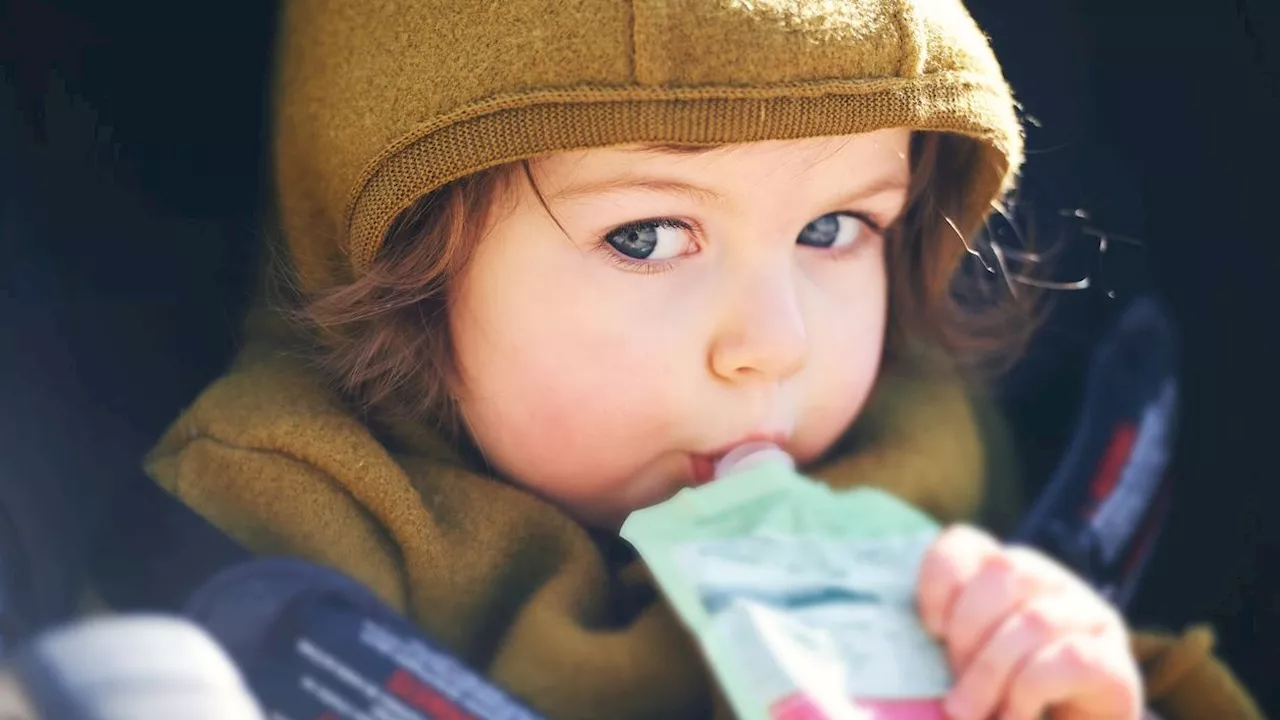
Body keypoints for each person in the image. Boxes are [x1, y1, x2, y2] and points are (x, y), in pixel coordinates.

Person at [144, 0, 1264, 718]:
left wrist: (1078, 689)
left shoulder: (916, 464)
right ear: (407, 265)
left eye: (833, 231)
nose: (772, 346)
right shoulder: (294, 518)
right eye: (644, 238)